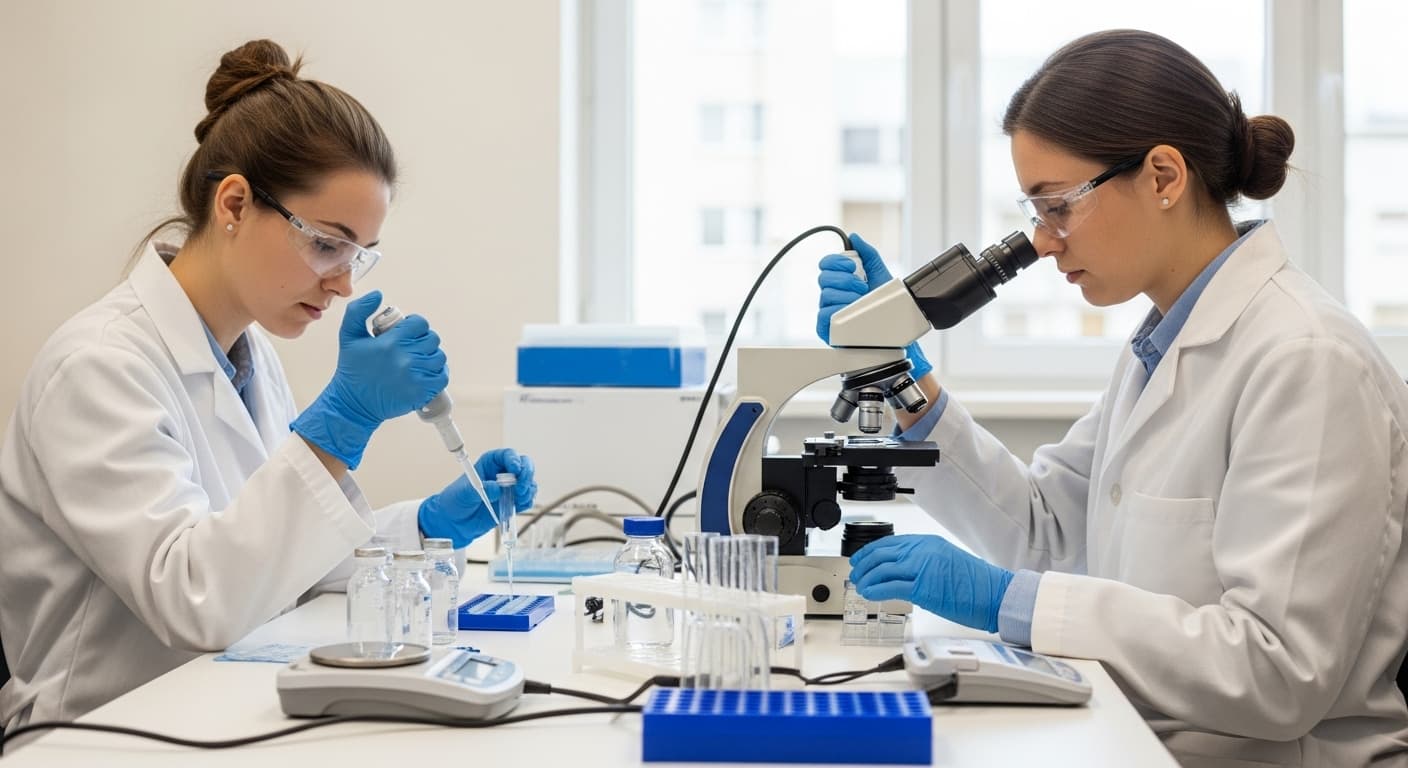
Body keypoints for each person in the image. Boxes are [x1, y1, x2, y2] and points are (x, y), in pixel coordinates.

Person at [818, 29, 1408, 766]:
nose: (1042, 242)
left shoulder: (1307, 360)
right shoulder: (1161, 346)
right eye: (1035, 213)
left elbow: (1276, 671)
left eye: (1058, 205)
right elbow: (1045, 533)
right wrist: (904, 382)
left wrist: (1011, 602)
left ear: (1164, 175)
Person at [0, 40, 538, 736]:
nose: (345, 283)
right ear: (233, 203)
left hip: (215, 717)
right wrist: (339, 423)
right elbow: (198, 598)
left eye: (358, 256)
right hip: (97, 736)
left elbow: (281, 566)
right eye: (326, 244)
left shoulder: (249, 358)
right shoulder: (98, 367)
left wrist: (427, 526)